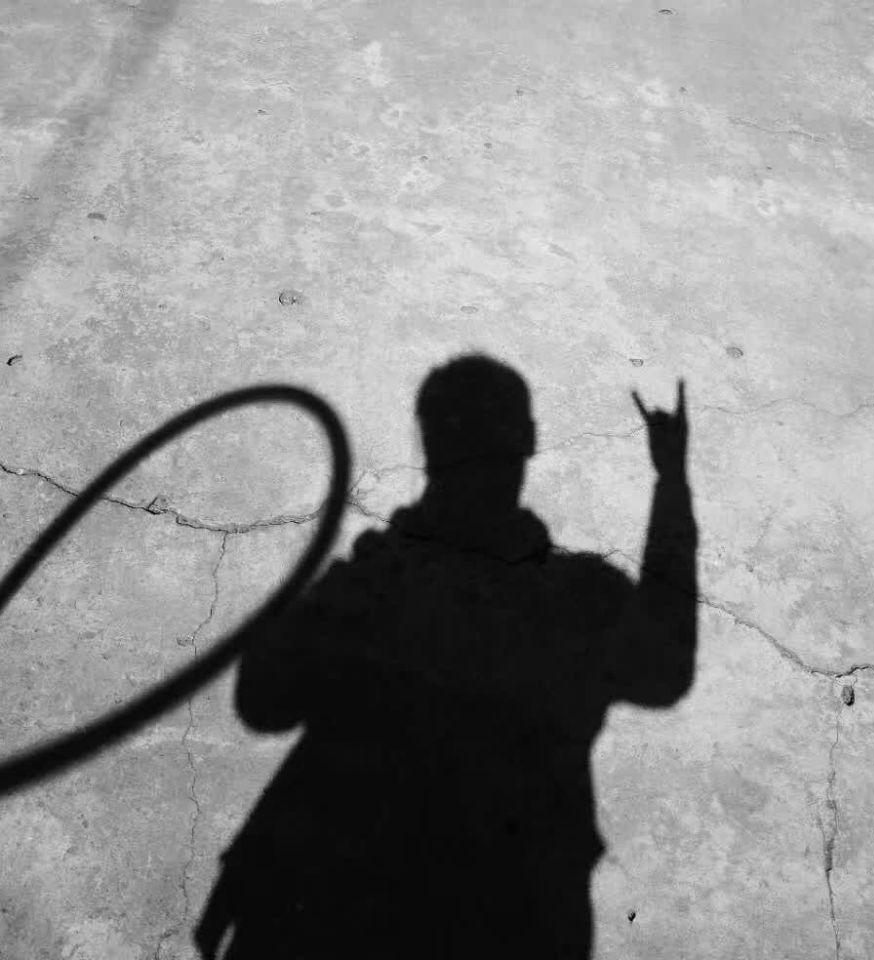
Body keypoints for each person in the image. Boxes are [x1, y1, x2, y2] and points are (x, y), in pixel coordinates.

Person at [195, 353, 698, 960]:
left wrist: (324, 591)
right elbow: (664, 670)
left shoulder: (374, 585)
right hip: (514, 925)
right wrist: (671, 484)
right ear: (529, 439)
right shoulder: (579, 599)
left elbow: (262, 702)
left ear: (426, 443)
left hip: (339, 916)